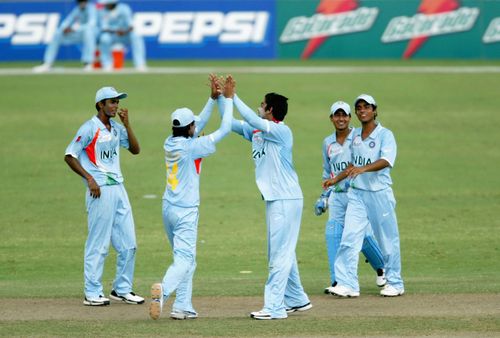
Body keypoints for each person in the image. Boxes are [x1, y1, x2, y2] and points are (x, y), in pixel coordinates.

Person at [149, 75, 234, 321]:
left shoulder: (171, 142)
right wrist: (227, 100)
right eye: (193, 125)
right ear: (189, 129)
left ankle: (182, 306)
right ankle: (162, 293)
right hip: (186, 211)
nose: (196, 126)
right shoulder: (193, 146)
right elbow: (225, 129)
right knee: (185, 260)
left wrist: (212, 99)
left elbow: (196, 124)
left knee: (186, 259)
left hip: (168, 209)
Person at [223, 88, 311, 320]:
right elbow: (229, 123)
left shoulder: (282, 131)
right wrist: (219, 98)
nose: (259, 107)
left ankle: (274, 307)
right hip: (276, 199)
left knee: (279, 255)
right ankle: (297, 299)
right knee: (283, 252)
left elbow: (252, 119)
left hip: (286, 198)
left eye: (262, 104)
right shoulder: (258, 131)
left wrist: (234, 97)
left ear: (270, 110)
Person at [64, 86, 144, 306]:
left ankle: (122, 288)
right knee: (98, 243)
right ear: (100, 104)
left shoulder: (117, 128)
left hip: (118, 187)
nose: (115, 106)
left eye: (117, 102)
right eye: (111, 102)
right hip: (100, 190)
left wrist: (128, 125)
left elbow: (136, 150)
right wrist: (89, 178)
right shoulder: (90, 128)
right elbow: (69, 155)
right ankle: (92, 292)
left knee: (129, 243)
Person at [327, 94, 405, 298]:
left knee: (387, 239)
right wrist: (334, 181)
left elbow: (386, 160)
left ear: (374, 110)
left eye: (366, 107)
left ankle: (395, 282)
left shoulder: (385, 135)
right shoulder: (353, 136)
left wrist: (364, 169)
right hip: (357, 194)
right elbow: (352, 166)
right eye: (359, 107)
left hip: (379, 194)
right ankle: (348, 284)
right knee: (349, 237)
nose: (362, 110)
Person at [316, 101, 386, 295]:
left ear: (349, 117)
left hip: (357, 194)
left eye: (344, 115)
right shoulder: (327, 142)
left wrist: (348, 180)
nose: (341, 119)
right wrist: (325, 195)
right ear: (331, 118)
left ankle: (382, 267)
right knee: (333, 234)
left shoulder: (357, 137)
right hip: (338, 196)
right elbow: (327, 171)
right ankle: (338, 281)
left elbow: (362, 163)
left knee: (360, 238)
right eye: (337, 115)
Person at [33, 0, 97, 72]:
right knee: (58, 34)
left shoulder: (92, 9)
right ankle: (47, 63)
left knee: (88, 32)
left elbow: (91, 24)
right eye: (80, 2)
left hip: (95, 34)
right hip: (81, 33)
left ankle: (88, 63)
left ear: (86, 2)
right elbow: (68, 20)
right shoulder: (77, 9)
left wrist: (73, 29)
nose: (82, 3)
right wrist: (64, 28)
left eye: (83, 1)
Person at [97, 0, 147, 71]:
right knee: (104, 38)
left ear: (112, 3)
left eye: (106, 4)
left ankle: (140, 64)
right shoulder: (102, 11)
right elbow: (104, 28)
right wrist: (116, 31)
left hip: (125, 35)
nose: (105, 5)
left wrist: (124, 31)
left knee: (136, 36)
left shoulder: (124, 9)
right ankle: (107, 64)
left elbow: (131, 26)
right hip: (112, 36)